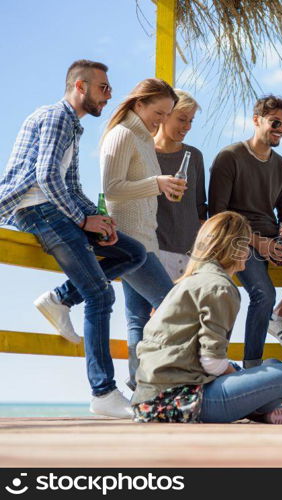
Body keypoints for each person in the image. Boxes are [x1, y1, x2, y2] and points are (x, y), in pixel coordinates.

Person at [0, 60, 147, 418]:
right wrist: (83, 218)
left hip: (57, 208)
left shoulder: (73, 127)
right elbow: (47, 177)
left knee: (133, 252)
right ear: (79, 87)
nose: (109, 95)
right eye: (103, 88)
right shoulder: (56, 117)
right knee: (100, 292)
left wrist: (100, 220)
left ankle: (59, 298)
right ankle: (103, 393)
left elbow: (71, 186)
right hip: (36, 209)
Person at [131, 211, 282, 424]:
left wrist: (240, 375)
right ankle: (262, 412)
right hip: (180, 402)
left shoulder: (193, 280)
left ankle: (264, 413)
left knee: (272, 363)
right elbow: (212, 363)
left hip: (149, 399)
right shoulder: (218, 286)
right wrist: (239, 373)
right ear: (237, 247)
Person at [208, 94, 282, 368]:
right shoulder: (229, 158)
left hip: (273, 239)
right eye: (275, 122)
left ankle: (280, 316)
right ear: (256, 120)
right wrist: (258, 243)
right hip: (238, 240)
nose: (280, 130)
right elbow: (217, 216)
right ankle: (252, 369)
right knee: (263, 293)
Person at [100, 78, 187, 390]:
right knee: (171, 306)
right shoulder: (122, 134)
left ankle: (141, 388)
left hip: (146, 240)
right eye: (159, 112)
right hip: (128, 241)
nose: (161, 121)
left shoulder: (144, 140)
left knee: (138, 319)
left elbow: (140, 189)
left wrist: (162, 187)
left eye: (167, 115)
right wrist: (158, 184)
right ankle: (162, 382)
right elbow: (111, 189)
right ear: (140, 104)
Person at [154, 89, 207, 281]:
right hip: (153, 249)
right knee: (144, 312)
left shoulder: (194, 156)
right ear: (166, 115)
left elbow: (200, 207)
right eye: (182, 119)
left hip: (188, 254)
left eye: (191, 121)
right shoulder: (144, 152)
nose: (187, 127)